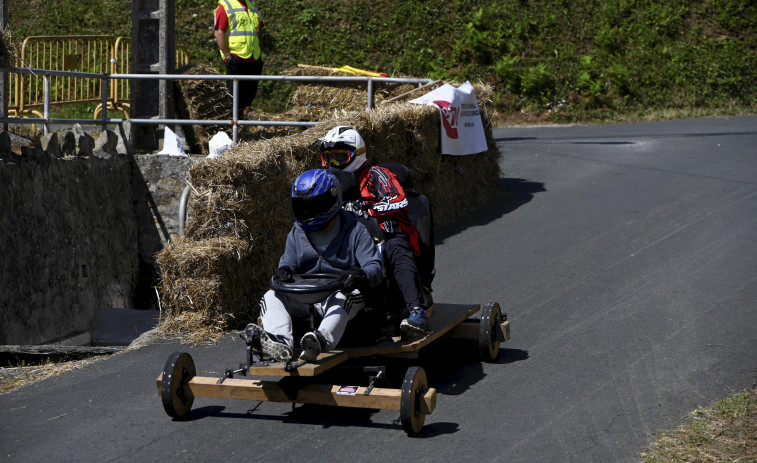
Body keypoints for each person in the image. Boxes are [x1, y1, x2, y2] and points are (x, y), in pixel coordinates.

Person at [245, 169, 383, 362]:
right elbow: (287, 264)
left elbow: (375, 267)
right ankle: (281, 343)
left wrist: (359, 274)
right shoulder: (296, 231)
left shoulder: (355, 230)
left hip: (340, 292)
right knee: (271, 295)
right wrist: (283, 271)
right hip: (306, 296)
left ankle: (319, 340)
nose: (306, 212)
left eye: (312, 206)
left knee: (343, 297)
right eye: (301, 206)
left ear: (332, 201)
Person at [319, 126, 433, 337]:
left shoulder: (376, 174)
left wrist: (368, 208)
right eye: (328, 158)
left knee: (396, 248)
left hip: (386, 234)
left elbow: (397, 199)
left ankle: (417, 312)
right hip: (349, 238)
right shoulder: (329, 182)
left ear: (358, 155)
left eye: (339, 157)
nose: (333, 164)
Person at [213, 0, 264, 111]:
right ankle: (234, 126)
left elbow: (258, 31)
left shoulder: (251, 5)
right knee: (234, 101)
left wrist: (260, 53)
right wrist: (228, 57)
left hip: (254, 59)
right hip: (236, 59)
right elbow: (218, 33)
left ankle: (242, 126)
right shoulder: (225, 6)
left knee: (248, 100)